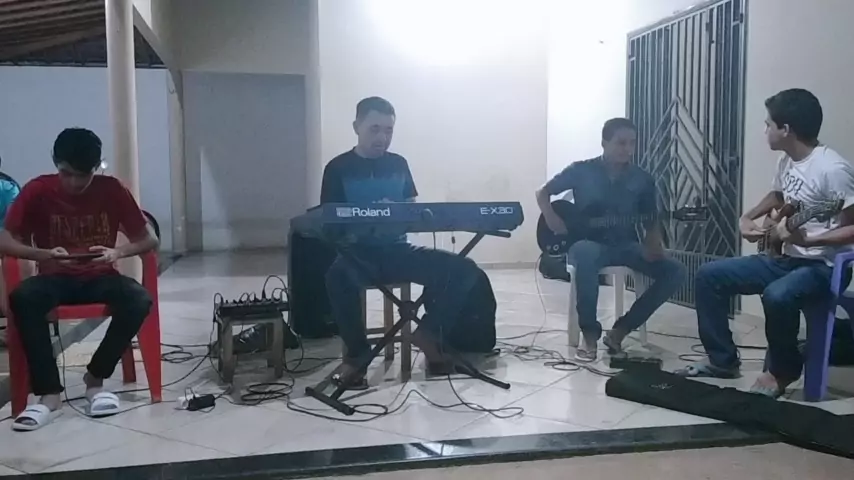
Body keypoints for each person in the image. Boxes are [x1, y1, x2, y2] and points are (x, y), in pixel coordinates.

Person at [677, 88, 854, 398]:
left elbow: (851, 230)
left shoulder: (834, 170)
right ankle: (722, 360)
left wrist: (812, 238)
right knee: (709, 276)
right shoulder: (787, 160)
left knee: (777, 295)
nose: (764, 130)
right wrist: (748, 217)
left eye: (768, 124)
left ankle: (781, 372)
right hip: (785, 258)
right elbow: (778, 195)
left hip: (822, 266)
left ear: (786, 130)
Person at [1, 128, 159, 431]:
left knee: (139, 299)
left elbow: (148, 238)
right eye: (66, 173)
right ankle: (49, 394)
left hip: (100, 276)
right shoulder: (37, 190)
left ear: (96, 167)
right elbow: (5, 239)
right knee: (23, 298)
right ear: (55, 163)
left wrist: (117, 252)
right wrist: (42, 254)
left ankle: (95, 378)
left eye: (83, 175)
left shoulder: (112, 189)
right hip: (54, 277)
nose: (74, 182)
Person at [321, 97, 484, 388]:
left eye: (388, 130)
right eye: (374, 129)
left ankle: (428, 333)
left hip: (398, 250)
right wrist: (368, 217)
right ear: (356, 127)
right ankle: (356, 358)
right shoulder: (337, 168)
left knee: (463, 268)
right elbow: (330, 220)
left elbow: (411, 211)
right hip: (358, 254)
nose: (382, 137)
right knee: (337, 276)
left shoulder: (399, 164)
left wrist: (397, 212)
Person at [535, 118, 685, 362]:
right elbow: (542, 192)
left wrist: (654, 240)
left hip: (626, 245)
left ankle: (620, 331)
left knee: (675, 270)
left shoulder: (642, 179)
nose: (627, 149)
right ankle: (589, 335)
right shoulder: (581, 170)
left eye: (632, 143)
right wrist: (552, 218)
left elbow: (650, 219)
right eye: (621, 143)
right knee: (585, 254)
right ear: (604, 143)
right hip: (585, 243)